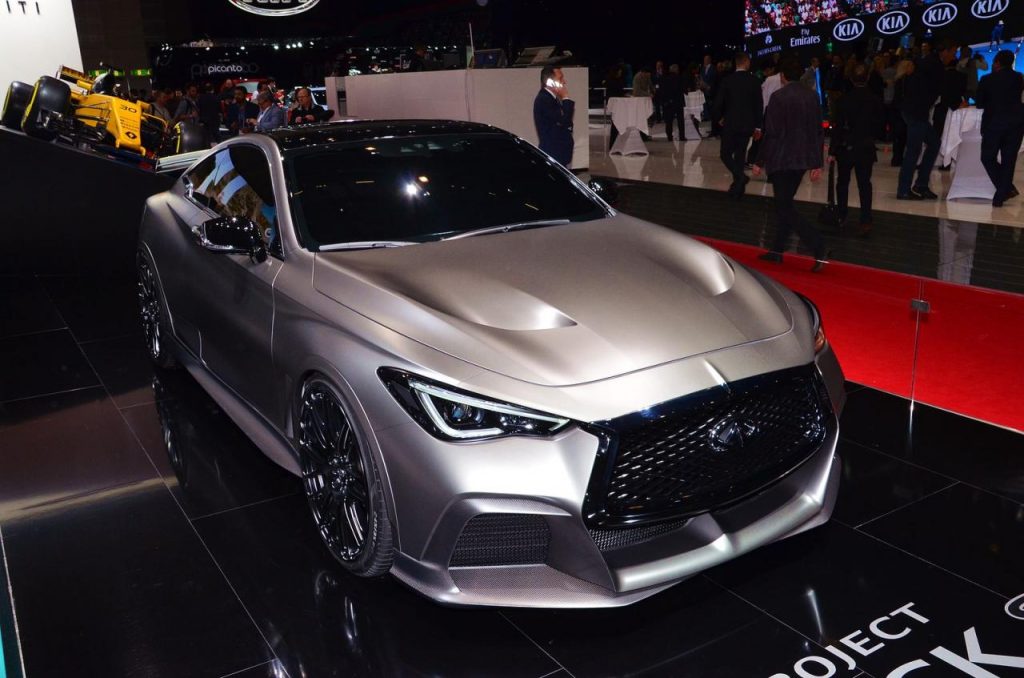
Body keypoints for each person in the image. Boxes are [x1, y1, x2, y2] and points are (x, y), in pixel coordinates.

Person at [753, 56, 829, 272]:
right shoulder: (812, 96)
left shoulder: (778, 97)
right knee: (784, 204)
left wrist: (759, 160)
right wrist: (817, 162)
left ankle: (818, 245)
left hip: (782, 158)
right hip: (802, 159)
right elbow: (818, 131)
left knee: (783, 206)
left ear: (782, 76)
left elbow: (772, 133)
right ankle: (777, 251)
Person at [830, 64, 885, 236]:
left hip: (846, 146)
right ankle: (866, 219)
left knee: (842, 182)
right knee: (864, 184)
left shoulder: (843, 100)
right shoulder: (875, 99)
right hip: (865, 146)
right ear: (867, 77)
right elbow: (880, 125)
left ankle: (842, 214)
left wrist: (832, 150)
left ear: (851, 78)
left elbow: (838, 127)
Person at [896, 39, 946, 200]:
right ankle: (904, 189)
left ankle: (920, 184)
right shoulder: (927, 68)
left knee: (933, 144)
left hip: (916, 114)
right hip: (917, 114)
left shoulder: (913, 74)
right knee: (914, 150)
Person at [975, 50, 1024, 206]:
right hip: (1016, 124)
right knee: (1009, 160)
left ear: (996, 63)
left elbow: (979, 103)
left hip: (993, 124)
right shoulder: (1019, 78)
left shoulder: (986, 79)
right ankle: (1002, 193)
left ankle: (1005, 190)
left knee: (987, 158)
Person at [712, 51, 763, 199]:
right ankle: (738, 187)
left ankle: (740, 179)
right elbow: (759, 105)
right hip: (748, 124)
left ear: (736, 63)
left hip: (731, 123)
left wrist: (719, 118)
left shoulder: (727, 80)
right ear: (746, 62)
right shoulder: (755, 81)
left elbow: (718, 103)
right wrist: (758, 126)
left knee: (725, 154)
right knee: (740, 155)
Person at [533, 65, 575, 166]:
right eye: (560, 78)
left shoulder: (552, 98)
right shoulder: (544, 99)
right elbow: (564, 121)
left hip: (558, 153)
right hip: (553, 154)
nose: (564, 81)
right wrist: (565, 97)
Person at [659, 64, 685, 141]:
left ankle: (669, 137)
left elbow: (663, 91)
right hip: (678, 102)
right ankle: (682, 136)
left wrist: (665, 101)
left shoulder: (665, 78)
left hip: (669, 102)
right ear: (676, 70)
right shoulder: (679, 78)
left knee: (669, 121)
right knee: (680, 120)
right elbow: (682, 89)